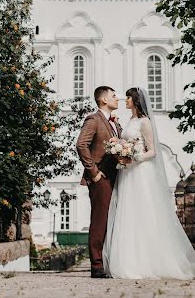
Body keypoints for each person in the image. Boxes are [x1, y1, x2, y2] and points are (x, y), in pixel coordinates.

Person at [103, 87, 195, 280]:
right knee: (129, 213)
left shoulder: (145, 122)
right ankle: (130, 260)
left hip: (140, 173)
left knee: (145, 213)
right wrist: (120, 151)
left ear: (135, 101)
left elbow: (152, 151)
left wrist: (133, 158)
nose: (124, 100)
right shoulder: (130, 121)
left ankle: (152, 262)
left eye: (127, 98)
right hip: (127, 174)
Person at [76, 86, 121, 278]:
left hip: (116, 178)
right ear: (103, 100)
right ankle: (96, 266)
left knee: (113, 222)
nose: (117, 98)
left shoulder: (115, 124)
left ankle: (110, 262)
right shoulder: (94, 119)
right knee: (100, 221)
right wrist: (93, 172)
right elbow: (81, 144)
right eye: (113, 96)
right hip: (100, 179)